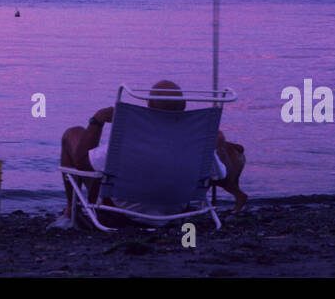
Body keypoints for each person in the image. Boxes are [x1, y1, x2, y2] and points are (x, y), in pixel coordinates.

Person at [55, 80, 247, 228]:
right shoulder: (196, 143)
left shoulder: (129, 140)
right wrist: (219, 146)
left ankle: (70, 210)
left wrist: (97, 120)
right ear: (184, 107)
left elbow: (82, 164)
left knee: (72, 134)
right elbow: (222, 175)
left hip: (119, 214)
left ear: (147, 105)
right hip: (174, 212)